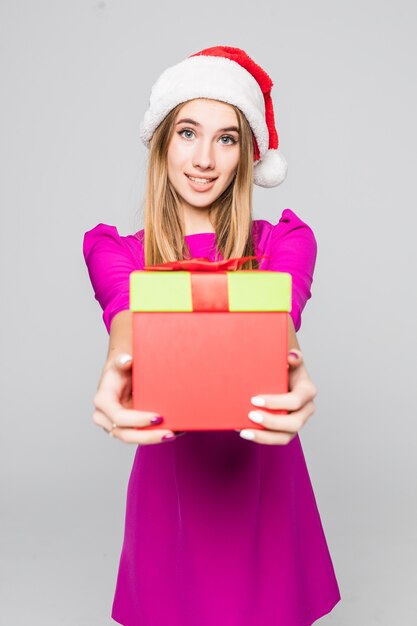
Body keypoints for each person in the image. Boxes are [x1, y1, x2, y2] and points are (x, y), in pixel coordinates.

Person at [83, 46, 341, 626]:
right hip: (170, 499)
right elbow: (127, 313)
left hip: (263, 497)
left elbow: (278, 317)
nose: (204, 158)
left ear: (246, 157)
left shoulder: (284, 245)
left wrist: (289, 364)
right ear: (162, 144)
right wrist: (117, 367)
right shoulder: (118, 254)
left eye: (226, 138)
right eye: (188, 133)